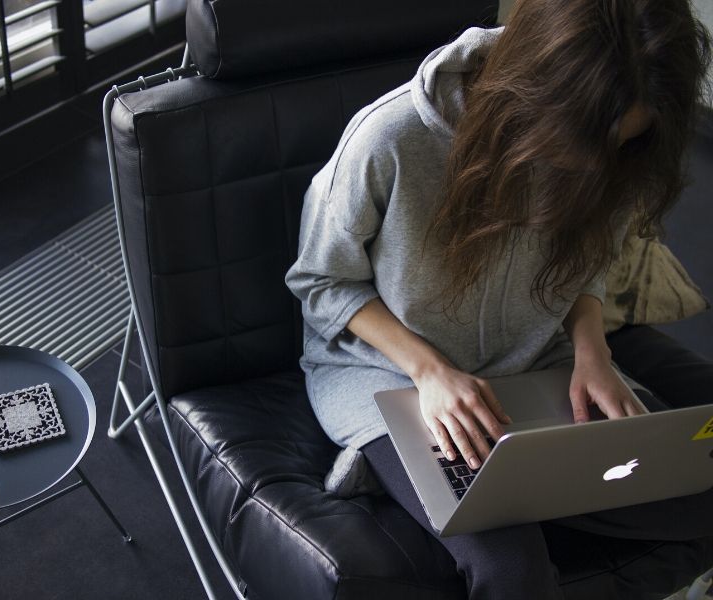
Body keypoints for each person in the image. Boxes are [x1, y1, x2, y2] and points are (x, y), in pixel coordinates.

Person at [285, 0, 713, 598]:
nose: (596, 166)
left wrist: (593, 352)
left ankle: (524, 488)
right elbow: (320, 283)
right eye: (584, 142)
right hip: (388, 374)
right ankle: (470, 482)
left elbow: (587, 266)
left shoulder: (618, 150)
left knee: (697, 495)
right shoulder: (391, 138)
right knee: (510, 571)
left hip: (538, 363)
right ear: (536, 86)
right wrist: (430, 372)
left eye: (621, 145)